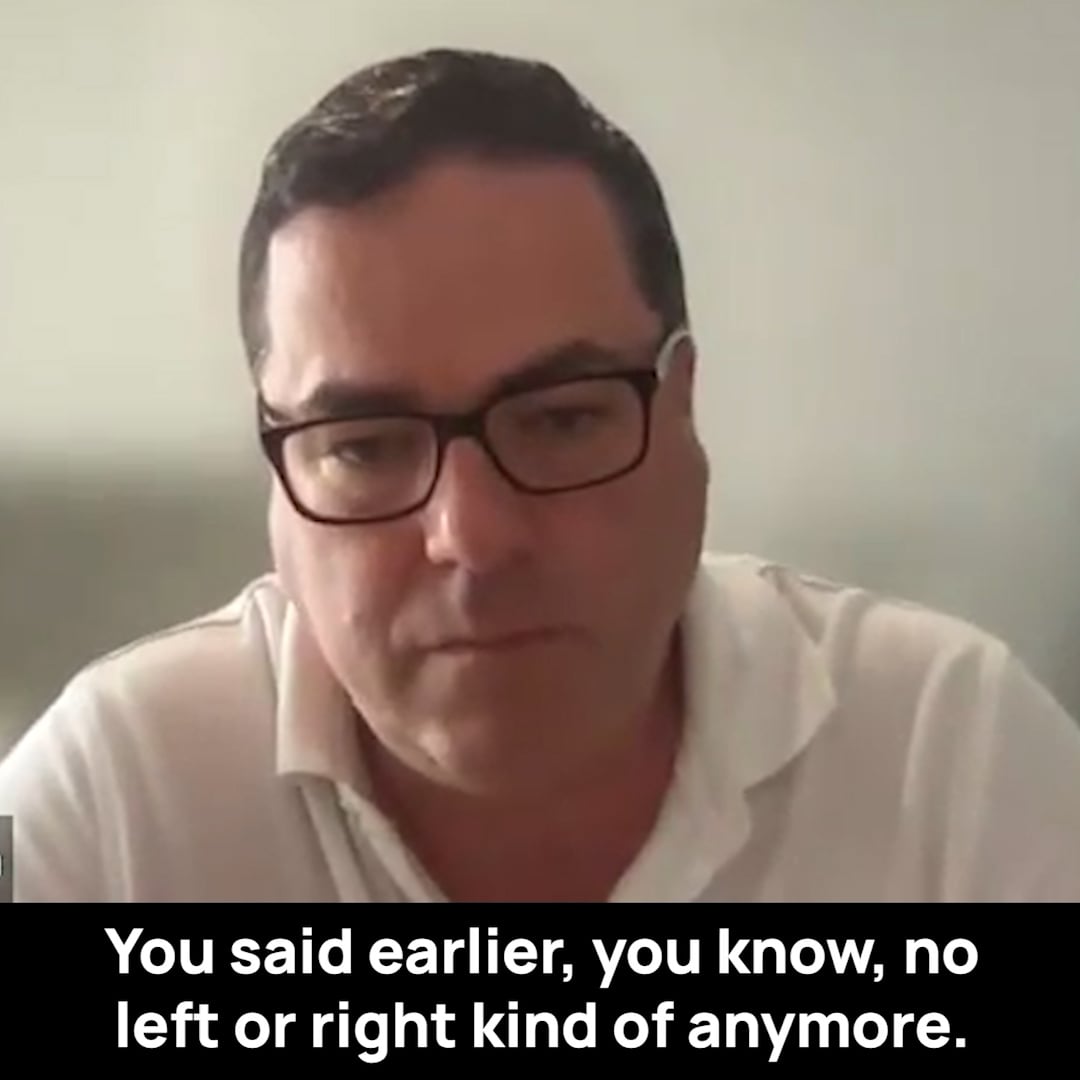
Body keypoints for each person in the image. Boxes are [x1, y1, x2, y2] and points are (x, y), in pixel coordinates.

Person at [1, 47, 1078, 903]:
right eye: (364, 446)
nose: (472, 538)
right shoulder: (110, 802)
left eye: (561, 421)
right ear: (277, 478)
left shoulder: (956, 757)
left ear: (683, 408)